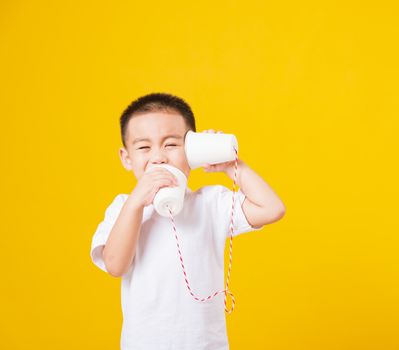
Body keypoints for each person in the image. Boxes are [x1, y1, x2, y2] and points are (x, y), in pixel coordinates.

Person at [90, 92, 286, 350]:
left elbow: (272, 208)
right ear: (127, 158)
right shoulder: (123, 208)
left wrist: (231, 165)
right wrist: (136, 202)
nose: (159, 157)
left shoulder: (210, 204)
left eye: (171, 144)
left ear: (192, 150)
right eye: (144, 147)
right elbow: (115, 265)